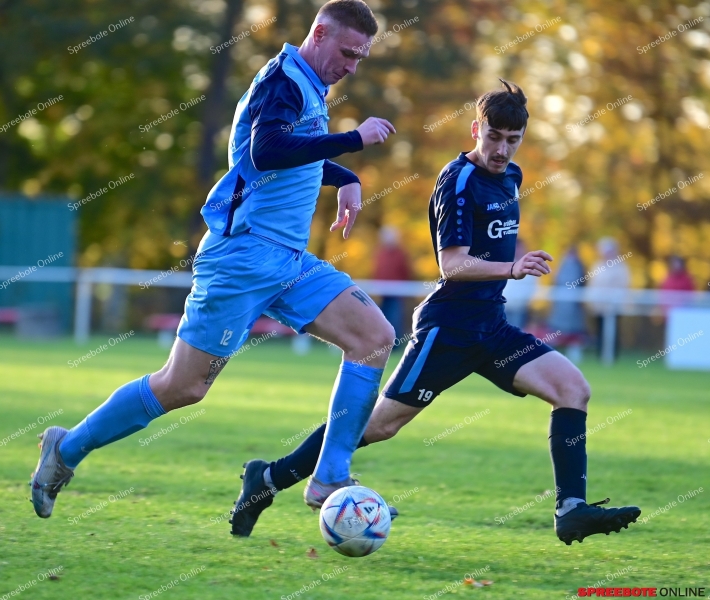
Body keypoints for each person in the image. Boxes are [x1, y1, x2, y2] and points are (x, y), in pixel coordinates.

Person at [30, 0, 399, 519]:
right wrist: (354, 141)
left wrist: (345, 177)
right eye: (348, 53)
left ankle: (329, 476)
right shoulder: (283, 81)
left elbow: (287, 157)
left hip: (289, 262)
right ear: (319, 33)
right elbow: (267, 150)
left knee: (374, 338)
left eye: (361, 57)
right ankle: (65, 448)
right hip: (242, 259)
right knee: (183, 386)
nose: (352, 67)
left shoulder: (309, 86)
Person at [230, 80, 640, 545]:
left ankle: (571, 510)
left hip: (491, 327)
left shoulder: (512, 176)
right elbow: (453, 264)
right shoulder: (458, 181)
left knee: (572, 389)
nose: (502, 150)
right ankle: (267, 479)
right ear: (475, 130)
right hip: (449, 330)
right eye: (493, 137)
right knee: (377, 424)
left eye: (512, 139)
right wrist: (512, 267)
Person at [586, 237, 630, 359]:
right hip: (599, 307)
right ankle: (600, 354)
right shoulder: (597, 266)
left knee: (613, 331)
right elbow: (592, 285)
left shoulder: (621, 267)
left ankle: (612, 356)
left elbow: (623, 286)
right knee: (600, 330)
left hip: (614, 307)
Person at [373, 225, 412, 339]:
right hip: (382, 292)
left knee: (395, 318)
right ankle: (383, 341)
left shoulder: (401, 254)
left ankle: (395, 343)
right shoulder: (380, 253)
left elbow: (406, 272)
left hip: (397, 293)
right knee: (383, 317)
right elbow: (377, 271)